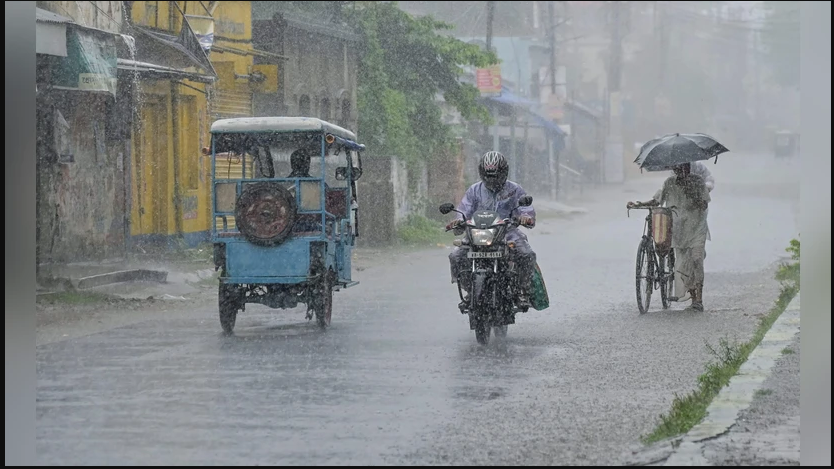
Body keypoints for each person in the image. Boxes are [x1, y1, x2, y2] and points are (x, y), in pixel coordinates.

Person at [447, 151, 537, 308]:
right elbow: (464, 210)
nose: (492, 179)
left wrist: (525, 217)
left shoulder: (515, 190)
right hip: (478, 232)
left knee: (527, 255)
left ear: (504, 172)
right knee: (456, 256)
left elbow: (526, 209)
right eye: (488, 175)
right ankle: (470, 290)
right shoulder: (474, 190)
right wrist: (457, 222)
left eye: (495, 175)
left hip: (507, 232)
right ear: (482, 173)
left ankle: (523, 291)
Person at [627, 163, 710, 311]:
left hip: (697, 227)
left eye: (685, 167)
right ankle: (692, 295)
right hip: (679, 229)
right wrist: (639, 204)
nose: (682, 170)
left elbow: (704, 204)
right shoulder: (670, 183)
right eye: (678, 168)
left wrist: (691, 192)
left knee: (696, 259)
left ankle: (699, 298)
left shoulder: (697, 181)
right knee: (683, 263)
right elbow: (657, 200)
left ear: (689, 167)